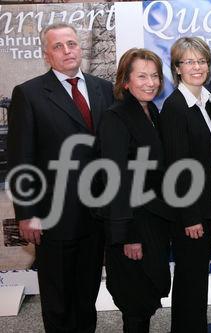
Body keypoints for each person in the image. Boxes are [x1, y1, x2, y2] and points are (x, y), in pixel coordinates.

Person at [7, 23, 113, 332]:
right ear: (46, 55)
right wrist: (26, 214)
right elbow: (20, 159)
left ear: (81, 48)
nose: (67, 51)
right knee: (58, 298)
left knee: (87, 292)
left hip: (97, 214)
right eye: (58, 46)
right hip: (54, 216)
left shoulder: (103, 89)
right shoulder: (28, 94)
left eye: (72, 44)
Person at [98, 48, 173, 332]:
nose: (150, 83)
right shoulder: (116, 117)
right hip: (132, 226)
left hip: (153, 221)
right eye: (142, 76)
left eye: (154, 76)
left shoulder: (150, 109)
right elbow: (114, 178)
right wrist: (127, 235)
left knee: (147, 297)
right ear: (125, 81)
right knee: (135, 303)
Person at [157, 37, 211, 333]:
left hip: (205, 205)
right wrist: (190, 216)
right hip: (190, 213)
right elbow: (178, 169)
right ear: (177, 69)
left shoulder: (205, 102)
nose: (197, 67)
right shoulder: (175, 108)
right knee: (190, 280)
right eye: (189, 62)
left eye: (202, 61)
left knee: (195, 279)